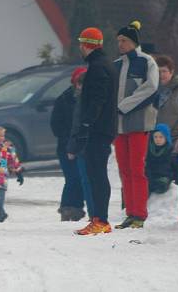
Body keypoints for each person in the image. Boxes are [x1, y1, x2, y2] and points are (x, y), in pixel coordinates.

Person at [69, 27, 119, 236]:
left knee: (96, 174)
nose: (79, 47)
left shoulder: (98, 68)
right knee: (95, 173)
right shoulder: (104, 64)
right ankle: (98, 218)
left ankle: (101, 219)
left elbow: (97, 100)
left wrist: (87, 123)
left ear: (85, 45)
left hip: (98, 130)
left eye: (81, 43)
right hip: (103, 128)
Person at [113, 21, 159, 229]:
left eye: (124, 41)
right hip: (119, 125)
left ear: (134, 42)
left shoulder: (147, 62)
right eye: (118, 41)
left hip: (139, 123)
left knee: (137, 168)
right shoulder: (117, 64)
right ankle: (130, 212)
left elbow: (150, 88)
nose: (120, 44)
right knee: (124, 169)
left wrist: (123, 106)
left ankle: (139, 214)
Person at [51, 67, 88, 221]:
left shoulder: (89, 99)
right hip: (66, 145)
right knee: (72, 177)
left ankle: (77, 207)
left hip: (82, 144)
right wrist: (67, 139)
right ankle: (68, 208)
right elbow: (55, 124)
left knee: (80, 177)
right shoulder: (64, 99)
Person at [0, 126, 24, 223]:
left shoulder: (7, 148)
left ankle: (0, 215)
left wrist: (18, 172)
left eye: (2, 136)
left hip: (2, 180)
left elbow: (13, 161)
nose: (0, 138)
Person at [154, 55, 178, 143]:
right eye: (158, 71)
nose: (161, 75)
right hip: (154, 138)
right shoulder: (150, 90)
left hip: (174, 137)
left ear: (171, 72)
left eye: (164, 71)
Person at [146, 124, 173, 195]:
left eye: (161, 137)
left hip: (163, 175)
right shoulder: (148, 149)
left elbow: (172, 165)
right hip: (151, 174)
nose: (158, 139)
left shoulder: (170, 150)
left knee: (162, 186)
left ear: (166, 138)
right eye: (156, 137)